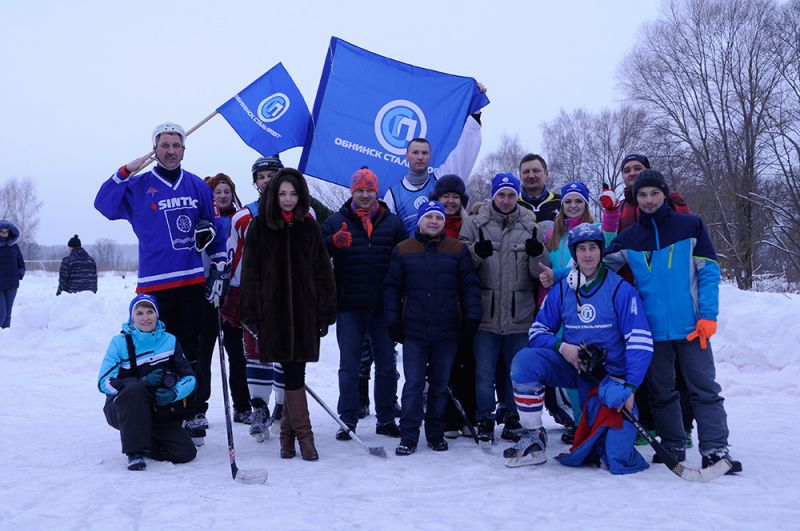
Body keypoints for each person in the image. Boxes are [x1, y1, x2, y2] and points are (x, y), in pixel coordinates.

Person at [94, 122, 228, 444]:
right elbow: (103, 205)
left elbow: (215, 228)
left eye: (176, 145)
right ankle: (158, 414)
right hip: (154, 286)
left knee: (192, 351)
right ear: (155, 150)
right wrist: (127, 170)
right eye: (164, 145)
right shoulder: (138, 185)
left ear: (184, 150)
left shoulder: (197, 185)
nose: (171, 151)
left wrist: (219, 266)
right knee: (155, 353)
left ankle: (193, 411)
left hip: (191, 281)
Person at [605, 169, 742, 473]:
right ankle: (673, 444)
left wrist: (708, 316)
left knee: (704, 389)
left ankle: (715, 449)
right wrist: (561, 276)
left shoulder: (690, 226)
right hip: (652, 331)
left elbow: (708, 273)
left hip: (693, 327)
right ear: (636, 199)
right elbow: (595, 267)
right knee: (662, 392)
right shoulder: (629, 238)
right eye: (642, 195)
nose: (649, 199)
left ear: (664, 194)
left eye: (654, 193)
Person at [505, 224, 653, 474]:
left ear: (601, 251)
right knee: (525, 361)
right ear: (574, 254)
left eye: (593, 248)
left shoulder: (620, 289)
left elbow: (640, 342)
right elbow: (537, 331)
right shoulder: (563, 289)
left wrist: (630, 388)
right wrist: (563, 347)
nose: (587, 254)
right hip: (574, 368)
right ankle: (533, 436)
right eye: (581, 249)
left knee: (614, 457)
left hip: (610, 381)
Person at [240, 168, 337, 461]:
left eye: (293, 193)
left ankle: (287, 438)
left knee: (296, 372)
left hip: (306, 312)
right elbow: (251, 273)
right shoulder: (259, 226)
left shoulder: (309, 226)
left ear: (301, 195)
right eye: (282, 193)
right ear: (273, 194)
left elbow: (322, 271)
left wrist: (325, 311)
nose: (287, 199)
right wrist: (252, 313)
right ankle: (305, 438)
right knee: (293, 372)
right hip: (274, 313)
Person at [384, 201, 481, 455]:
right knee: (414, 384)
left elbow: (469, 287)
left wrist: (471, 318)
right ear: (420, 221)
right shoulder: (403, 250)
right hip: (414, 330)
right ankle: (408, 435)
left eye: (438, 217)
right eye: (429, 217)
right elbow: (392, 289)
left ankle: (435, 433)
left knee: (439, 385)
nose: (434, 221)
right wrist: (393, 322)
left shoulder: (457, 249)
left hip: (447, 330)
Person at [459, 173, 549, 444]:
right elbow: (461, 267)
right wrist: (475, 253)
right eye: (501, 194)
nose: (506, 200)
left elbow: (539, 274)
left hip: (519, 314)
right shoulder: (474, 224)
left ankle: (513, 417)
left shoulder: (531, 226)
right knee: (484, 373)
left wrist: (538, 253)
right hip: (486, 313)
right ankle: (484, 418)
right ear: (493, 196)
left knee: (516, 372)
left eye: (511, 195)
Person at [614, 154, 694, 447]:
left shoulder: (668, 201)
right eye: (627, 170)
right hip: (634, 294)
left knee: (679, 370)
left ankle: (684, 427)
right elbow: (612, 246)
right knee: (643, 362)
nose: (632, 173)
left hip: (672, 296)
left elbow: (686, 233)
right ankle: (645, 422)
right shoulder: (620, 208)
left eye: (638, 168)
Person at [320, 167, 406, 440]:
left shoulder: (392, 223)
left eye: (370, 190)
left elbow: (405, 258)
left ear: (376, 192)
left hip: (383, 307)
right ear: (352, 191)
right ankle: (348, 419)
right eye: (360, 190)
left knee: (387, 367)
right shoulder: (336, 221)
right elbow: (315, 253)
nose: (365, 195)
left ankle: (385, 418)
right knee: (349, 367)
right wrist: (332, 242)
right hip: (350, 306)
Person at [534, 181, 620, 442]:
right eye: (568, 201)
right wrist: (545, 286)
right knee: (571, 368)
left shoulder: (595, 230)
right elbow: (545, 270)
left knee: (591, 367)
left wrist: (612, 209)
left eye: (578, 201)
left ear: (586, 204)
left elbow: (610, 233)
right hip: (561, 307)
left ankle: (597, 421)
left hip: (591, 307)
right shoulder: (553, 237)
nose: (573, 206)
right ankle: (580, 422)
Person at [98, 294, 197, 471]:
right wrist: (142, 381)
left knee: (186, 453)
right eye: (139, 313)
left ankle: (142, 438)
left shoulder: (170, 340)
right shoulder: (119, 343)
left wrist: (174, 393)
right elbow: (103, 382)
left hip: (158, 408)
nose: (145, 317)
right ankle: (134, 452)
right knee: (134, 389)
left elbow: (190, 378)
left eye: (150, 312)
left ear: (157, 314)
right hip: (123, 408)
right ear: (132, 318)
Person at [225, 156, 287, 440]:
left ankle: (284, 407)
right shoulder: (243, 216)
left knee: (286, 353)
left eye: (271, 175)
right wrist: (234, 295)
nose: (266, 180)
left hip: (289, 295)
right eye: (261, 177)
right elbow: (235, 258)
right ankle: (259, 407)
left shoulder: (303, 212)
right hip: (256, 295)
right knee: (256, 353)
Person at [383, 84, 486, 236]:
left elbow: (465, 149)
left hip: (442, 249)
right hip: (411, 250)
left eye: (424, 153)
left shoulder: (440, 180)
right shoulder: (393, 195)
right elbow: (388, 233)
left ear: (430, 157)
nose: (420, 157)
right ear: (406, 156)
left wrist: (476, 107)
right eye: (415, 152)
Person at [194, 173, 251, 426]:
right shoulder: (204, 220)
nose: (223, 196)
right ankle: (198, 407)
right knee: (203, 352)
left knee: (237, 354)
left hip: (233, 295)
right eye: (218, 192)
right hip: (207, 293)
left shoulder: (240, 219)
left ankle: (242, 405)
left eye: (227, 191)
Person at [428, 175, 477, 438]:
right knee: (442, 363)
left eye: (455, 197)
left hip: (465, 301)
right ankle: (446, 418)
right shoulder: (430, 223)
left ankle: (468, 415)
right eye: (445, 196)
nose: (450, 201)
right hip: (437, 303)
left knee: (467, 362)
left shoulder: (472, 225)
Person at [517, 154, 561, 224]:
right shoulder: (512, 204)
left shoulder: (561, 202)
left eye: (536, 171)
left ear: (546, 174)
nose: (531, 176)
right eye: (526, 172)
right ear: (520, 176)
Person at [0, 220, 25, 329]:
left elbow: (21, 264)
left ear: (9, 232)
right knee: (2, 313)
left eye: (6, 231)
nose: (4, 233)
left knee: (8, 313)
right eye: (2, 231)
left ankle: (6, 335)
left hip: (12, 284)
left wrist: (19, 274)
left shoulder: (15, 247)